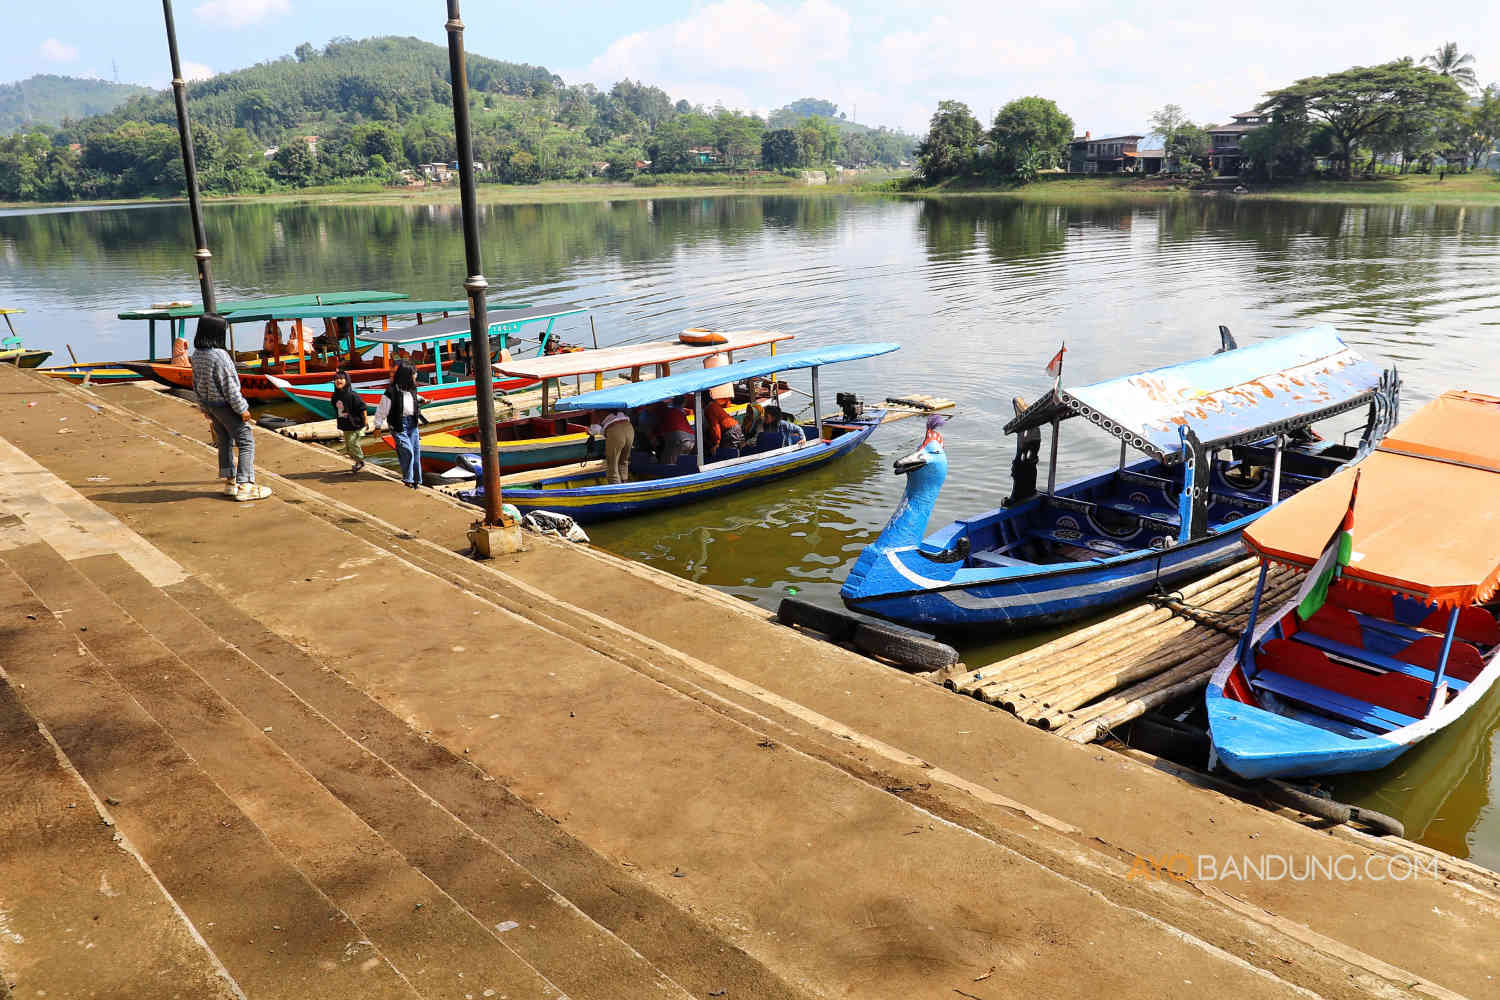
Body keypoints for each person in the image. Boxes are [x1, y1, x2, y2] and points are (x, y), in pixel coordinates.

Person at [190, 313, 271, 502]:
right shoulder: (220, 356)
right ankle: (246, 485)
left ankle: (230, 482)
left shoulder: (198, 355)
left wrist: (203, 408)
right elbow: (230, 387)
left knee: (224, 440)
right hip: (226, 405)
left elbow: (195, 384)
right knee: (246, 440)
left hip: (210, 405)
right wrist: (242, 409)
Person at [374, 360, 428, 488]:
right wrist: (377, 426)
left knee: (415, 451)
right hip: (398, 425)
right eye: (414, 373)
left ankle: (416, 481)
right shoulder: (391, 392)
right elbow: (382, 410)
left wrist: (422, 400)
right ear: (406, 375)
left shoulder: (412, 389)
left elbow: (415, 397)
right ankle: (407, 478)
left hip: (412, 424)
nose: (416, 375)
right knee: (407, 450)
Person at [331, 369, 368, 474]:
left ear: (347, 381)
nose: (339, 381)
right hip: (345, 425)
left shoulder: (353, 395)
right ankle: (357, 461)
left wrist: (365, 421)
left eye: (341, 379)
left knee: (353, 443)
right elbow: (335, 406)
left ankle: (360, 461)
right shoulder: (335, 396)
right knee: (348, 447)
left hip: (355, 424)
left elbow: (363, 408)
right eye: (336, 379)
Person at [591, 409, 635, 484]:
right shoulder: (617, 406)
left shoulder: (597, 409)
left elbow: (595, 429)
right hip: (629, 428)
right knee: (624, 460)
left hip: (615, 430)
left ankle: (616, 488)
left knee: (612, 464)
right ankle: (625, 483)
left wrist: (589, 430)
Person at [657, 396, 696, 465]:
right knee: (683, 462)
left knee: (669, 463)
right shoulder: (680, 412)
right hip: (691, 439)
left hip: (679, 440)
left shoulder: (665, 412)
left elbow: (661, 432)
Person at [701, 391, 743, 455]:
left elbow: (715, 426)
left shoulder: (709, 409)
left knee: (728, 454)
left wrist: (716, 443)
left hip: (730, 430)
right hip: (734, 428)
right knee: (733, 451)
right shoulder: (714, 405)